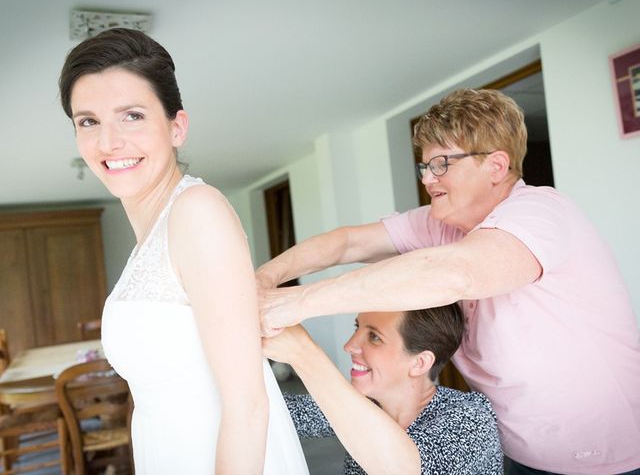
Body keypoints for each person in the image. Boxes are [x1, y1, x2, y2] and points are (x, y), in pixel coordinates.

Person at [257, 88, 640, 475]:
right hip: (519, 449)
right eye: (423, 166)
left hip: (608, 457)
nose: (427, 178)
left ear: (496, 165)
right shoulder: (439, 224)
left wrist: (296, 305)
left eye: (441, 164)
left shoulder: (541, 212)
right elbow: (347, 243)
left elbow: (454, 274)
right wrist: (263, 280)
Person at [59, 28, 308, 474]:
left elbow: (248, 405)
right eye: (88, 121)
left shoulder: (197, 212)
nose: (108, 141)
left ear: (177, 127)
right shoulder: (150, 240)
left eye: (131, 115)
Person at [263, 305, 503, 474]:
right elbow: (271, 410)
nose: (349, 345)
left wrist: (303, 354)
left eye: (374, 337)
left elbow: (405, 468)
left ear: (419, 363)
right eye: (357, 327)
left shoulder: (471, 417)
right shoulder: (369, 406)